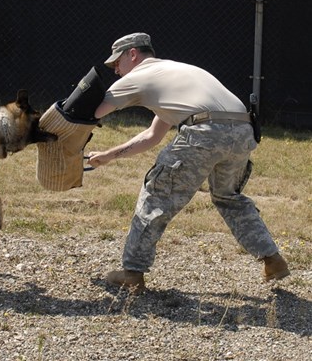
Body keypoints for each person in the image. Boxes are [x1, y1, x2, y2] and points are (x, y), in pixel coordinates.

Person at [87, 32, 290, 293]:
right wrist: (109, 155)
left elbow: (92, 112)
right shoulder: (176, 73)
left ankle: (132, 272)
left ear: (133, 54)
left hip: (205, 131)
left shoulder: (138, 76)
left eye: (117, 63)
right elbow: (152, 136)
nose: (116, 71)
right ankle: (273, 260)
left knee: (156, 196)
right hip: (243, 131)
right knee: (228, 197)